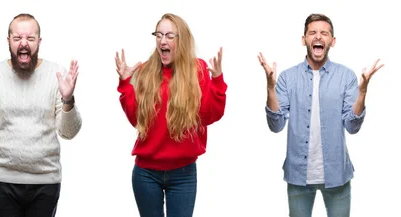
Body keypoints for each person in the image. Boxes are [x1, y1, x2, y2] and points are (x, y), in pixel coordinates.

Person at [259, 13, 384, 217]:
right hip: (298, 176)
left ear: (332, 41)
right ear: (304, 39)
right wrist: (270, 88)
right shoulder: (287, 78)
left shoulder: (346, 77)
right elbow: (276, 125)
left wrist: (362, 93)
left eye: (324, 33)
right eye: (312, 33)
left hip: (337, 175)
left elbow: (352, 127)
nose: (318, 37)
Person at [0, 13, 82, 217]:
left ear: (39, 41)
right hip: (0, 181)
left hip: (45, 181)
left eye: (30, 38)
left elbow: (68, 132)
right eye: (17, 38)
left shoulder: (57, 75)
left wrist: (68, 99)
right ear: (8, 41)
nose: (24, 43)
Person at [115, 13, 228, 217]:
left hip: (183, 174)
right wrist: (125, 84)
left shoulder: (198, 70)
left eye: (169, 35)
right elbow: (136, 120)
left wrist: (217, 81)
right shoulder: (146, 71)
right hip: (146, 174)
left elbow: (209, 115)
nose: (162, 41)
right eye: (158, 35)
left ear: (181, 40)